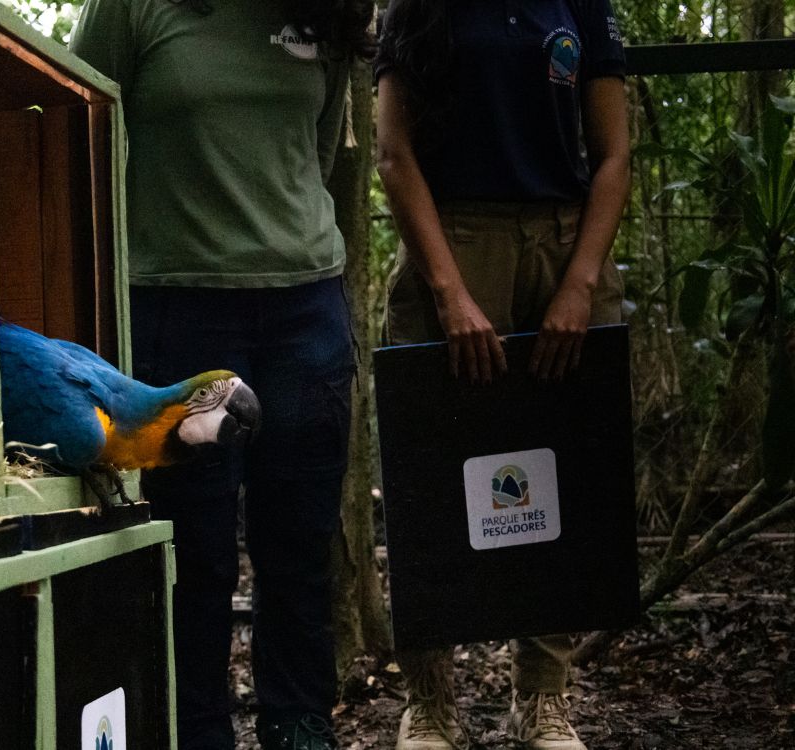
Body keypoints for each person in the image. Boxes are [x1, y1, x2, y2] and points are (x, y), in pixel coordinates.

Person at [70, 0, 374, 748]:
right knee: (191, 548)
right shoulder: (134, 9)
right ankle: (194, 729)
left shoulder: (327, 8)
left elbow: (321, 148)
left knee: (298, 543)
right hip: (178, 306)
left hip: (305, 309)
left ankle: (299, 724)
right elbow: (76, 127)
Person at [372, 1, 630, 749]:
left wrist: (581, 281)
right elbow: (394, 152)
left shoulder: (579, 3)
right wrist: (448, 292)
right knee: (431, 467)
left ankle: (543, 695)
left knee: (564, 465)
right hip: (452, 238)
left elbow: (612, 153)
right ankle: (429, 700)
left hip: (563, 240)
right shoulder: (416, 9)